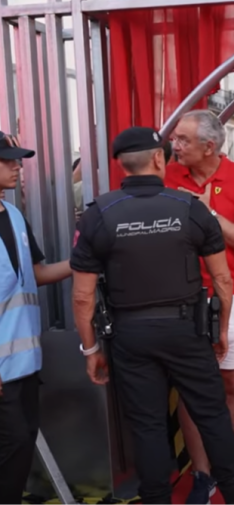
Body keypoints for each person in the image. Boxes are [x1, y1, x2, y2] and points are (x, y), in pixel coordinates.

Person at [70, 127, 234, 505]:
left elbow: (81, 296)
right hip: (187, 330)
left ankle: (156, 499)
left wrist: (91, 351)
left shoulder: (98, 214)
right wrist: (220, 330)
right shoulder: (190, 208)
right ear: (159, 159)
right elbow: (223, 278)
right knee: (212, 417)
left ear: (122, 165)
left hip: (129, 335)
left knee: (147, 425)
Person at [166, 110, 234, 502]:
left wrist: (205, 212)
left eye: (183, 141)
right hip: (180, 295)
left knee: (230, 383)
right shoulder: (168, 176)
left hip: (231, 293)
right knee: (192, 388)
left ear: (209, 146)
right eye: (175, 139)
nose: (174, 146)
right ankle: (203, 474)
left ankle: (229, 463)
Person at [0, 132, 72, 505]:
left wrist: (83, 262)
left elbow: (34, 274)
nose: (17, 166)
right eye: (8, 160)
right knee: (11, 444)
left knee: (21, 442)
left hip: (24, 364)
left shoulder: (13, 215)